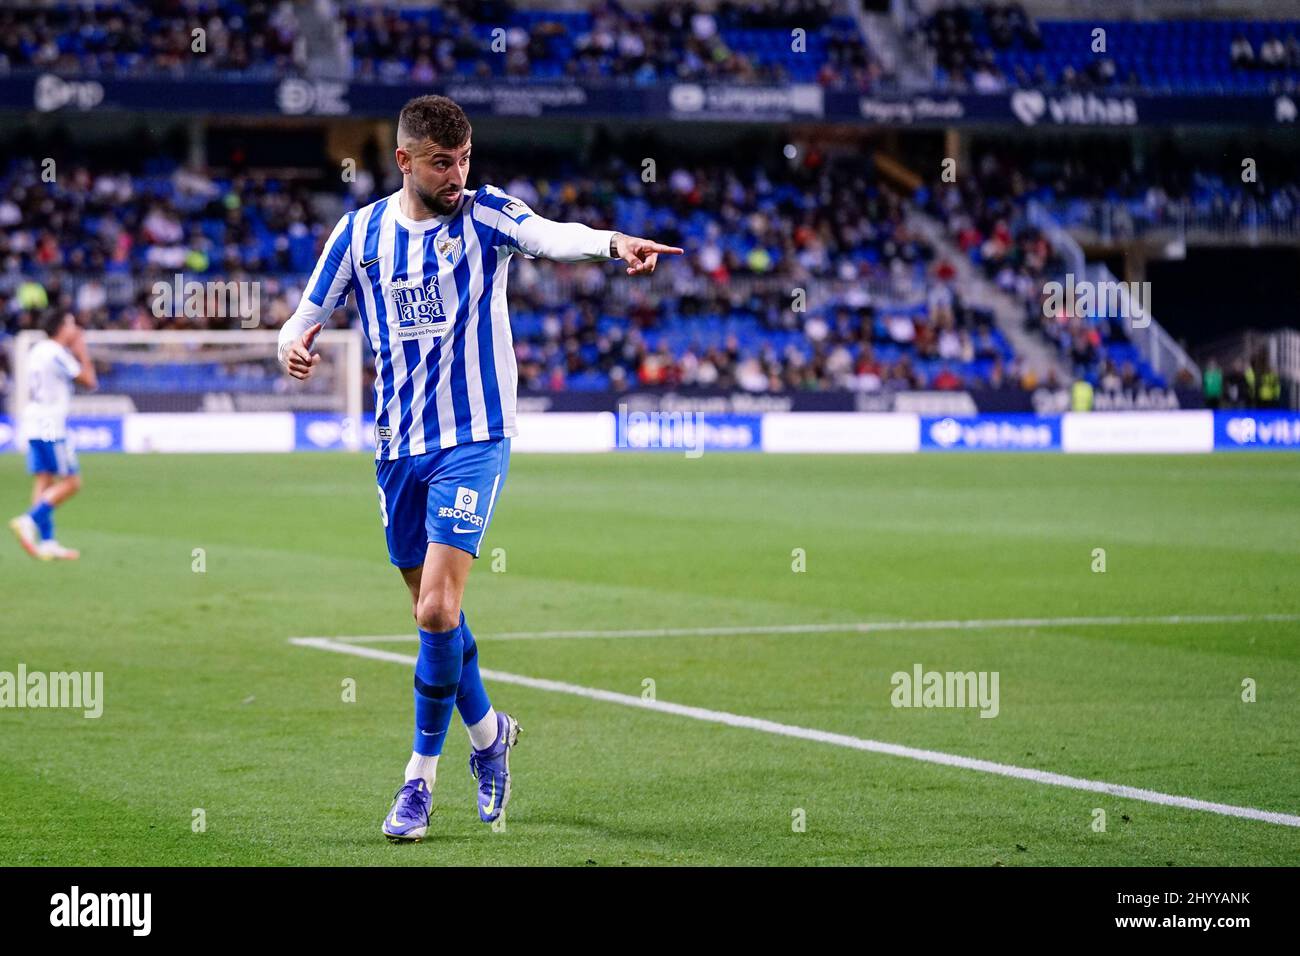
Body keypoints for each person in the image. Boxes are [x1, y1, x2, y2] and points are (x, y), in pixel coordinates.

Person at [277, 95, 682, 842]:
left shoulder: (487, 215)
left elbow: (550, 236)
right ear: (404, 160)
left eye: (464, 158)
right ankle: (492, 734)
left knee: (436, 609)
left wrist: (611, 243)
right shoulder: (360, 233)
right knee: (437, 616)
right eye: (441, 161)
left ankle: (417, 783)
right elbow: (304, 315)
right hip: (398, 447)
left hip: (475, 436)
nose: (457, 173)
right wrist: (293, 345)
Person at [9, 312, 97, 561]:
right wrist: (82, 350)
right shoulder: (56, 352)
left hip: (33, 421)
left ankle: (47, 542)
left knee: (44, 480)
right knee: (71, 482)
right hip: (50, 426)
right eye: (71, 324)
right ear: (61, 328)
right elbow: (89, 381)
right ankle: (29, 520)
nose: (76, 328)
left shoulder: (37, 350)